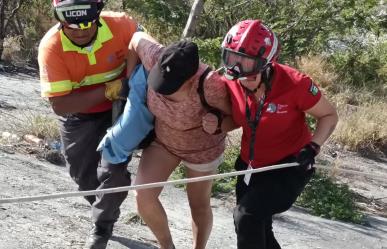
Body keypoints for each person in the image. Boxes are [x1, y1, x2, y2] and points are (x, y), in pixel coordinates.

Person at [203, 19, 338, 249]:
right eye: (232, 58)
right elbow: (238, 118)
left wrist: (313, 146)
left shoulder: (296, 84)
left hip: (288, 167)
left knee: (246, 217)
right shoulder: (232, 80)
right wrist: (217, 125)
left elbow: (329, 116)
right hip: (250, 166)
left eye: (247, 64)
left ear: (266, 64)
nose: (240, 72)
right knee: (258, 226)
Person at [100, 31, 233, 249]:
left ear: (191, 80)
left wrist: (218, 122)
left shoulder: (211, 85)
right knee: (143, 196)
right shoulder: (156, 55)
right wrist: (130, 78)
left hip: (202, 149)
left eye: (169, 90)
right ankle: (166, 246)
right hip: (164, 142)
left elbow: (236, 118)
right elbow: (134, 38)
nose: (161, 92)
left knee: (198, 205)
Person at [37, 1, 152, 248]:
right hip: (79, 115)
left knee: (111, 170)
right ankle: (110, 197)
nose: (79, 31)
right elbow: (61, 105)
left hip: (121, 109)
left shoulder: (121, 25)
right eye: (71, 26)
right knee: (84, 178)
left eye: (86, 25)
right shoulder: (51, 47)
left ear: (97, 15)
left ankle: (102, 228)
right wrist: (110, 90)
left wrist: (131, 81)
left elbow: (147, 48)